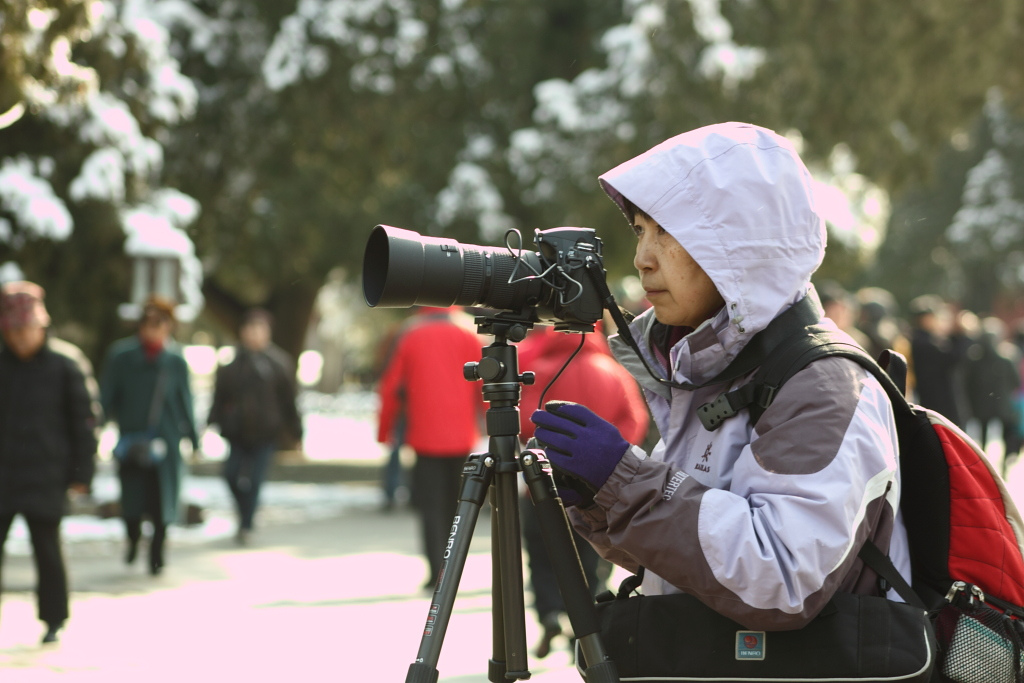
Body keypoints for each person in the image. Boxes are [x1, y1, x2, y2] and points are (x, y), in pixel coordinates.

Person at [529, 122, 910, 630]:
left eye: (667, 233)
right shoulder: (712, 368)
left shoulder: (822, 384)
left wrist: (627, 483)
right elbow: (700, 567)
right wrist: (600, 502)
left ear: (743, 245)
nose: (642, 259)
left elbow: (780, 578)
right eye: (641, 231)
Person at [516, 325, 649, 657]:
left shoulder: (540, 372)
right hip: (596, 487)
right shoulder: (614, 372)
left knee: (541, 552)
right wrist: (608, 459)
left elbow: (523, 422)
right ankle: (588, 626)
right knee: (592, 555)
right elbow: (635, 419)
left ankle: (549, 613)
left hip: (543, 480)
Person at [0, 281, 98, 644]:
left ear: (41, 326)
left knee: (48, 551)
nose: (19, 339)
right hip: (4, 474)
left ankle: (54, 618)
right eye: (12, 331)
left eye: (26, 330)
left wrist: (82, 472)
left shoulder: (65, 364)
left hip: (47, 474)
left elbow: (86, 423)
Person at [376, 306, 484, 588]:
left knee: (431, 508)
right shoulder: (468, 332)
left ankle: (436, 570)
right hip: (462, 436)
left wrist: (384, 430)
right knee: (458, 507)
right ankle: (453, 569)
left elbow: (391, 386)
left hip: (424, 436)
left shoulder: (411, 333)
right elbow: (485, 383)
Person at [100, 296, 198, 576]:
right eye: (147, 323)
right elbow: (108, 396)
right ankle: (132, 539)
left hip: (166, 440)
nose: (152, 329)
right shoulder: (121, 357)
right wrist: (98, 425)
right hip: (132, 438)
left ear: (169, 326)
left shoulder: (175, 361)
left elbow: (185, 400)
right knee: (132, 498)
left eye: (160, 323)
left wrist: (193, 435)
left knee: (162, 500)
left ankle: (157, 551)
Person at [207, 308, 303, 544]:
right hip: (237, 432)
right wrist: (211, 422)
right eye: (249, 329)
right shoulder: (232, 365)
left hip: (265, 433)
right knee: (231, 475)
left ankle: (247, 523)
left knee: (256, 480)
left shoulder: (279, 364)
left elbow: (289, 401)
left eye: (258, 329)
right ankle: (244, 512)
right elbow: (220, 397)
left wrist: (296, 431)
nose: (253, 334)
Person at [963, 316, 1022, 475]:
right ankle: (1001, 465)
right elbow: (1015, 382)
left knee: (982, 437)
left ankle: (984, 466)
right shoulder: (1006, 358)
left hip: (983, 405)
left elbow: (967, 383)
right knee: (1003, 436)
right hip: (1001, 405)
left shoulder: (975, 359)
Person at [908, 294, 970, 428]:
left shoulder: (922, 339)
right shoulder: (925, 342)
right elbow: (952, 358)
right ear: (926, 319)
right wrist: (963, 335)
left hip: (934, 400)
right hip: (938, 402)